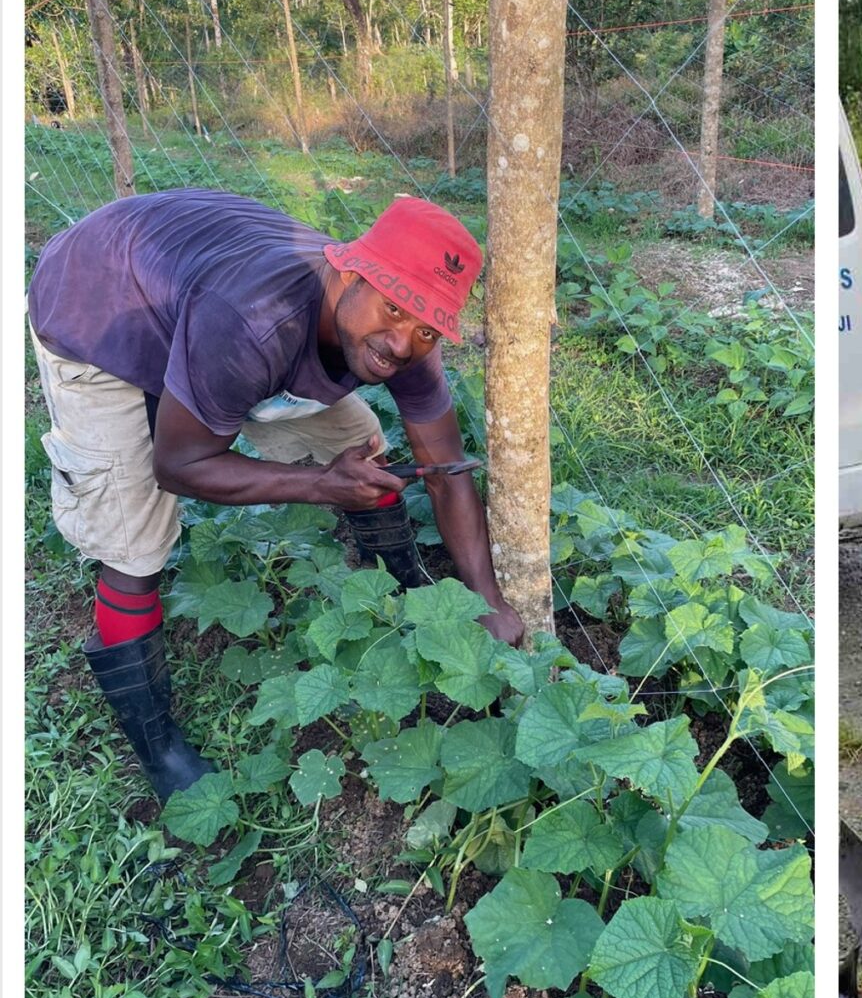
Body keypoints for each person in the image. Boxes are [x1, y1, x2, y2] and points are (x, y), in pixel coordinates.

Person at [29, 189, 527, 805]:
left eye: (427, 328)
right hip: (102, 301)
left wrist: (486, 598)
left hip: (204, 300)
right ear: (351, 270)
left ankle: (402, 592)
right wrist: (322, 486)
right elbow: (179, 466)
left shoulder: (404, 342)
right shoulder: (255, 319)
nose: (403, 343)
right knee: (134, 538)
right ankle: (158, 749)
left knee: (361, 449)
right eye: (394, 309)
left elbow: (447, 468)